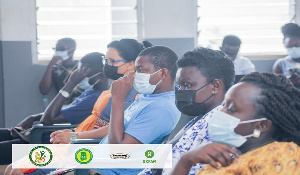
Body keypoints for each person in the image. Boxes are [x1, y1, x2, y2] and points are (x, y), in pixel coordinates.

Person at [4, 39, 153, 175]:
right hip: (81, 140)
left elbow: (120, 128)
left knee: (18, 171)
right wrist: (75, 131)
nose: (107, 65)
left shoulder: (137, 92)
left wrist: (76, 136)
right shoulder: (119, 84)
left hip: (92, 148)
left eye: (112, 61)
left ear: (131, 64)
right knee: (13, 167)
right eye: (106, 60)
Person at [172, 72, 300, 175]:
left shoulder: (279, 155)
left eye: (231, 109)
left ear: (261, 125)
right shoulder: (229, 156)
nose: (220, 112)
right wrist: (186, 161)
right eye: (223, 105)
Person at [139, 47, 235, 175]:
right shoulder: (200, 118)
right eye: (179, 86)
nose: (180, 92)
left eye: (188, 85)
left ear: (215, 86)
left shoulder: (218, 128)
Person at [0, 52, 108, 165]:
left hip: (42, 145)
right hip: (35, 136)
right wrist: (34, 117)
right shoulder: (91, 92)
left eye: (82, 73)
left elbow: (48, 119)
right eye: (77, 72)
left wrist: (70, 84)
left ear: (100, 76)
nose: (77, 76)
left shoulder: (96, 98)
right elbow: (62, 112)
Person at [88, 45, 181, 175]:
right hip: (99, 165)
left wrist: (118, 99)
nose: (134, 75)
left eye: (141, 70)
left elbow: (118, 152)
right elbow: (119, 130)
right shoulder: (149, 96)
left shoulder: (161, 109)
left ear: (163, 73)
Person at [39, 38, 82, 104]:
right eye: (56, 48)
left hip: (82, 104)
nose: (58, 51)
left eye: (62, 48)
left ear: (72, 50)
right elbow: (44, 90)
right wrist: (51, 65)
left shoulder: (82, 66)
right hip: (63, 106)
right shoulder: (55, 68)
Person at [273, 23, 300, 87]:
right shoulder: (280, 64)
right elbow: (275, 86)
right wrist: (288, 81)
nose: (293, 49)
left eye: (297, 46)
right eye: (289, 47)